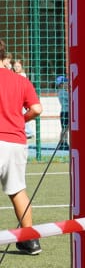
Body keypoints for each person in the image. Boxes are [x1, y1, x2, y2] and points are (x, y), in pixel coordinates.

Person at [0, 42, 43, 254]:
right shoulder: (21, 80)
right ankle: (30, 240)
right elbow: (37, 108)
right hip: (16, 141)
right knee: (17, 190)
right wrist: (20, 120)